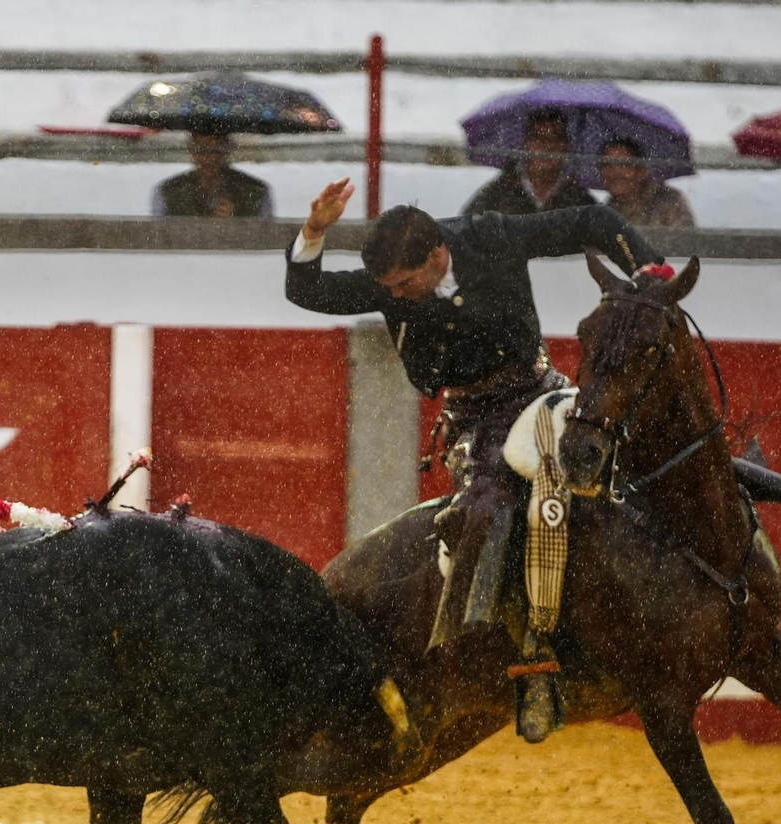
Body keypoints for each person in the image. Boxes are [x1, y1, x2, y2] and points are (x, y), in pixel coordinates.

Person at [285, 177, 669, 742]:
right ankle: (533, 662)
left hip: (540, 391)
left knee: (632, 455)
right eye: (390, 288)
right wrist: (315, 230)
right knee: (485, 511)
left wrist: (651, 272)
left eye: (408, 283)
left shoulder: (491, 236)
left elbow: (589, 221)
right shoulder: (391, 284)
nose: (399, 296)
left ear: (439, 253)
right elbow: (306, 291)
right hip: (475, 421)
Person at [463, 109, 595, 216]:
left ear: (566, 146)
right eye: (538, 137)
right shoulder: (495, 195)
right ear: (525, 144)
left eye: (556, 138)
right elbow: (465, 236)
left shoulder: (582, 202)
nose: (547, 146)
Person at [151, 133, 274, 218]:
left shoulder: (255, 191)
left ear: (227, 150)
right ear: (192, 151)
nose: (209, 158)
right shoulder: (169, 190)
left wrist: (236, 223)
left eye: (215, 150)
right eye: (201, 150)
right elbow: (162, 234)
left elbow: (265, 234)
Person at [597, 137, 695, 229]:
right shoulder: (607, 211)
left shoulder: (670, 201)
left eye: (623, 164)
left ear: (642, 170)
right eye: (607, 164)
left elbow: (683, 243)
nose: (614, 173)